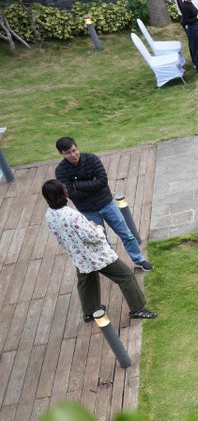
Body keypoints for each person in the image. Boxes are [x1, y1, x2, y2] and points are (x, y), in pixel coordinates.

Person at [40, 180, 157, 323]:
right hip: (97, 255)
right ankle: (138, 309)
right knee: (126, 276)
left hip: (79, 256)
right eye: (64, 189)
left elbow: (60, 238)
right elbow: (92, 236)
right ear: (61, 193)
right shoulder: (71, 215)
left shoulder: (49, 215)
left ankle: (90, 312)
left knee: (86, 281)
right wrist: (98, 228)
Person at [54, 138, 151, 271]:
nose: (73, 154)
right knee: (101, 241)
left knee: (126, 234)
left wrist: (77, 185)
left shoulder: (91, 159)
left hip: (107, 203)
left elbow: (102, 182)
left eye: (74, 150)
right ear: (61, 154)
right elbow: (71, 193)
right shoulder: (60, 171)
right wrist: (91, 185)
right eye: (68, 153)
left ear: (77, 147)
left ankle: (139, 260)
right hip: (88, 210)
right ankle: (117, 267)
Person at [179, 0, 198, 74]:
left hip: (196, 28)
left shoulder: (191, 3)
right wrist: (196, 18)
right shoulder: (185, 6)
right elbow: (185, 22)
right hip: (192, 31)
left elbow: (195, 15)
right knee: (197, 51)